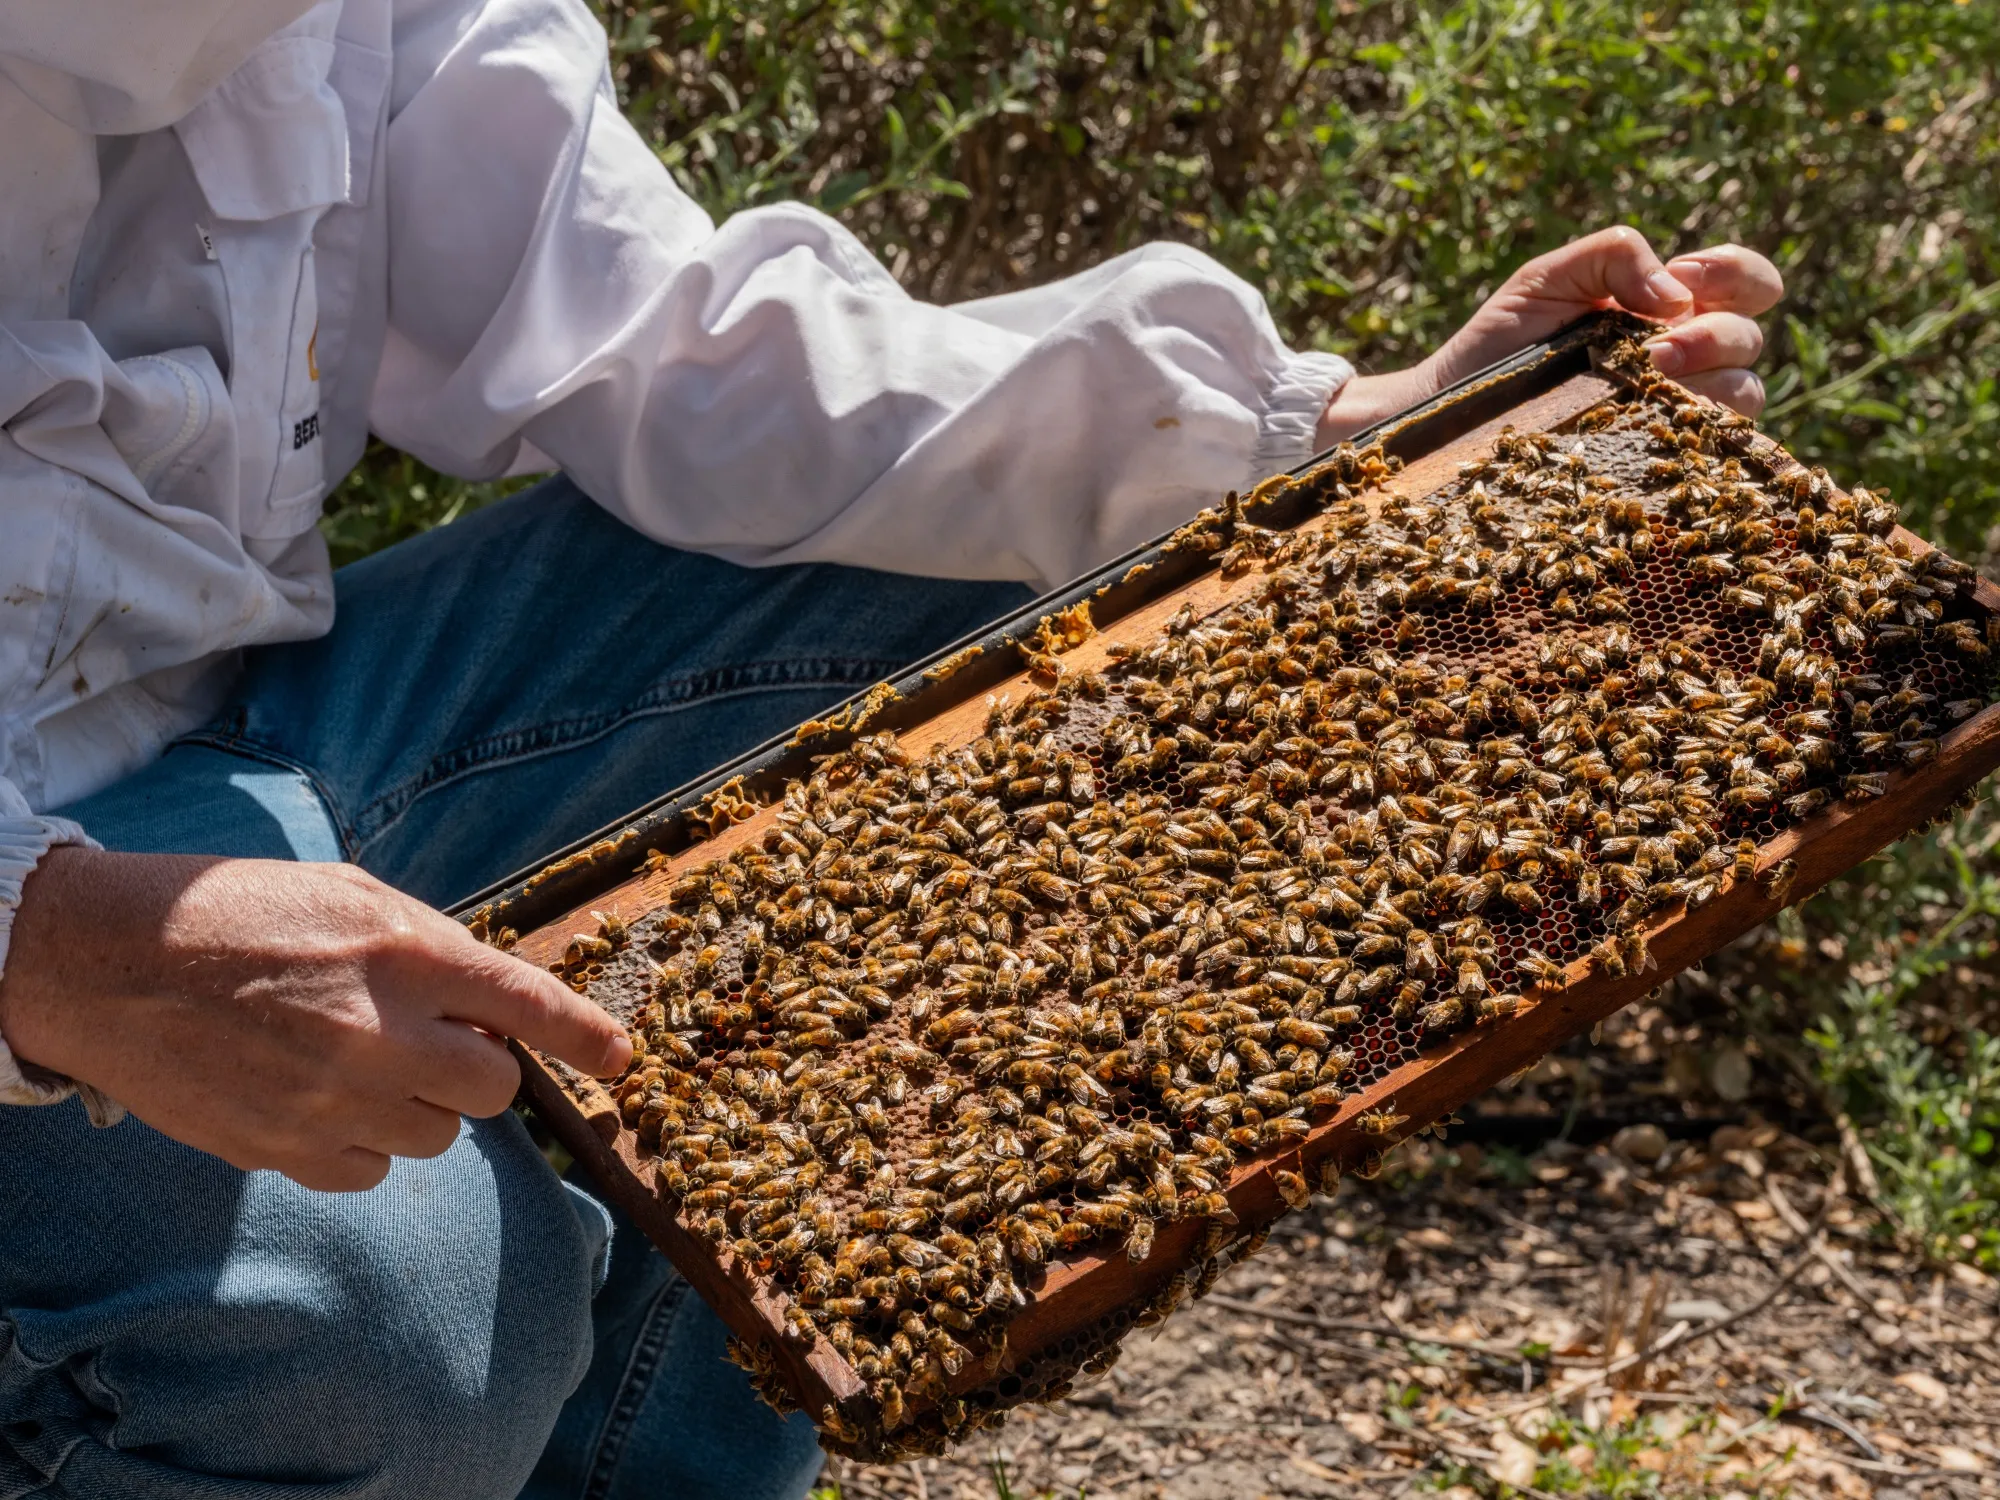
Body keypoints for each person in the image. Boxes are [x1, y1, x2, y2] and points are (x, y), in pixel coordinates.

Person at [0, 2, 1784, 1496]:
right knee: (398, 1314)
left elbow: (660, 335)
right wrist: (50, 953)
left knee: (1025, 583)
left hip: (221, 727)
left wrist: (1324, 436)